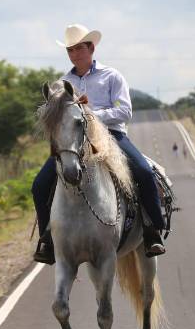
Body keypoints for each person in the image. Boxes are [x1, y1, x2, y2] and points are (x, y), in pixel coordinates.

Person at [32, 24, 166, 264]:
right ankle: (46, 239)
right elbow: (56, 114)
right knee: (40, 184)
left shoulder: (112, 76)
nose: (75, 54)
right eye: (70, 50)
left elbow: (124, 111)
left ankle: (152, 230)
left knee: (144, 173)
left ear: (91, 48)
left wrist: (90, 114)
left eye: (79, 48)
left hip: (113, 136)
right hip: (75, 141)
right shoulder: (63, 82)